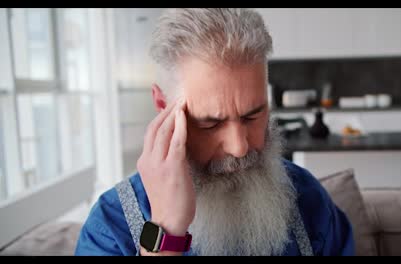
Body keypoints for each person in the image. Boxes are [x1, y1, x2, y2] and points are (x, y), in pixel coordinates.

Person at [75, 8, 354, 256]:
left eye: (253, 115)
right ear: (163, 106)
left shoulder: (309, 199)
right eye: (210, 123)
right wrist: (166, 232)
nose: (239, 147)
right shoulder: (110, 228)